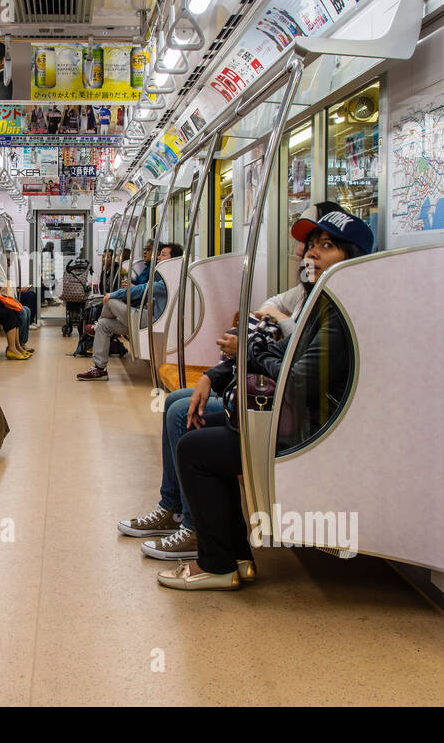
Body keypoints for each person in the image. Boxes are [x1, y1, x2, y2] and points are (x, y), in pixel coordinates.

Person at [122, 202, 355, 559]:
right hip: (280, 403)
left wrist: (256, 348)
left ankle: (195, 528)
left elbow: (293, 370)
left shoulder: (335, 309)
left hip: (297, 420)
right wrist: (222, 371)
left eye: (325, 246)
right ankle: (174, 508)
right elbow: (266, 323)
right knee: (176, 404)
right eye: (310, 245)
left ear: (350, 257)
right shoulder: (309, 296)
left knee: (185, 424)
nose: (309, 253)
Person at [77, 243, 181, 381]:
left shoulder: (169, 281)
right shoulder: (160, 276)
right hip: (146, 315)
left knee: (110, 300)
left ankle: (95, 326)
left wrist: (115, 294)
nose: (158, 257)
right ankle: (99, 369)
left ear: (173, 260)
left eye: (163, 254)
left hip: (154, 320)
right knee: (104, 324)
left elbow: (144, 289)